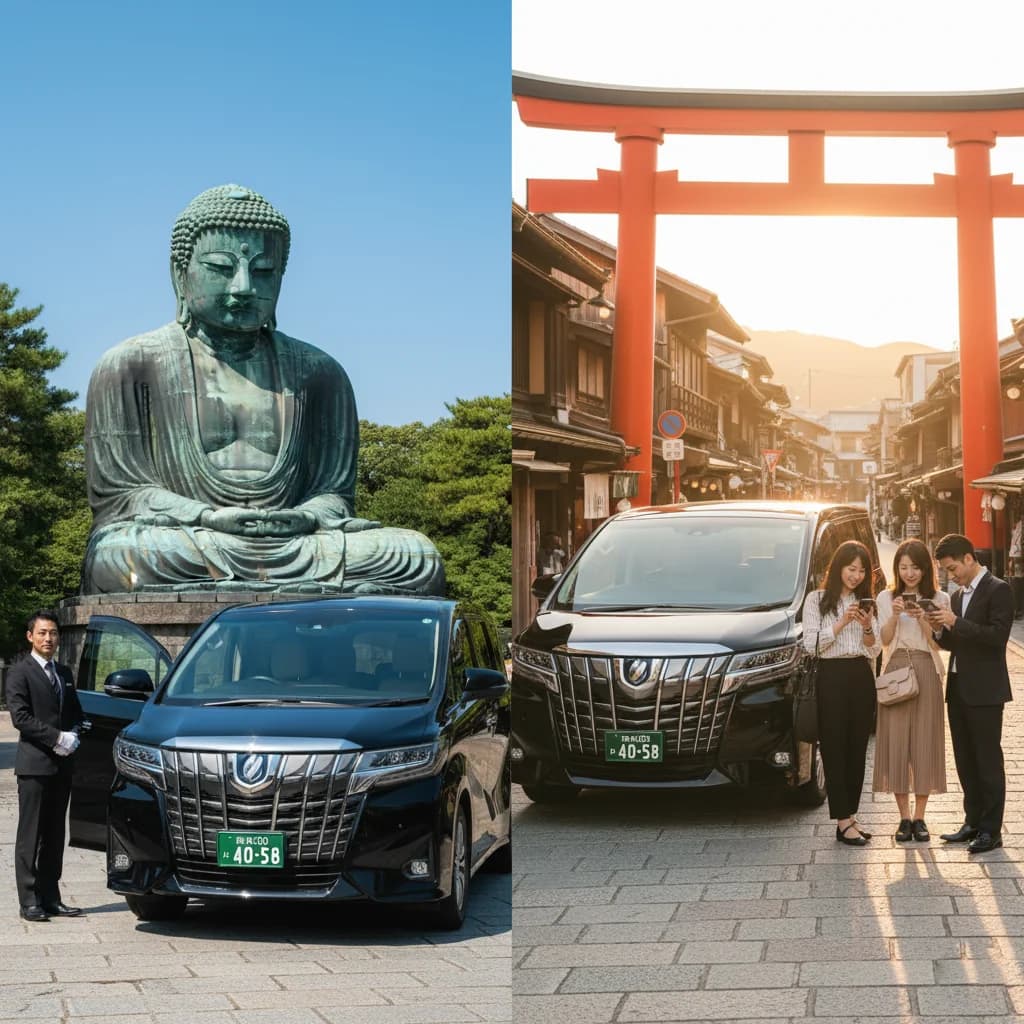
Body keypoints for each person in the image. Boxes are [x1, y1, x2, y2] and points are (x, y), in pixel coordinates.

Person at [80, 184, 443, 596]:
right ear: (180, 274)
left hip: (299, 541)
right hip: (192, 539)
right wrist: (207, 517)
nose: (244, 286)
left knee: (416, 555)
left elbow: (334, 496)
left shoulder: (319, 373)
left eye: (264, 271)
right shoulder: (131, 365)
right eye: (220, 267)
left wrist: (305, 517)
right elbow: (121, 497)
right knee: (122, 555)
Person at [928, 533, 1013, 854]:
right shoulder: (957, 594)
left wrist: (956, 622)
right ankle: (972, 821)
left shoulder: (999, 589)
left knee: (988, 760)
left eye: (953, 569)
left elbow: (997, 638)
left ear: (968, 558)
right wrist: (938, 626)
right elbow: (953, 643)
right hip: (959, 687)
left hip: (987, 690)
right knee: (965, 759)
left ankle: (992, 830)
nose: (951, 576)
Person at [6, 611, 86, 921]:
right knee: (31, 835)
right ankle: (29, 900)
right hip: (35, 765)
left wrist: (77, 733)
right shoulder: (19, 672)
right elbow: (21, 718)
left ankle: (51, 896)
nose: (48, 639)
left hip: (62, 767)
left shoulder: (64, 672)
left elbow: (76, 712)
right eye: (42, 633)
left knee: (54, 834)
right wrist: (56, 738)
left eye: (53, 633)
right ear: (30, 637)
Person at [802, 540, 881, 846]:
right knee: (834, 746)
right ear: (838, 568)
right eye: (851, 569)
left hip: (860, 675)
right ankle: (842, 821)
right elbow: (811, 645)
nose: (856, 575)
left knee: (858, 747)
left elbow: (874, 650)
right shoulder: (817, 600)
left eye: (862, 570)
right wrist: (841, 622)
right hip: (831, 676)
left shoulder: (865, 602)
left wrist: (866, 627)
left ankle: (851, 816)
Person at [872, 539, 948, 842]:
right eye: (903, 567)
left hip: (927, 668)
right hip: (895, 670)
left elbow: (939, 644)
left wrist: (924, 619)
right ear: (897, 568)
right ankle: (903, 817)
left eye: (915, 567)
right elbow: (884, 641)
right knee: (896, 742)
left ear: (925, 568)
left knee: (925, 741)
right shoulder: (885, 596)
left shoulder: (940, 597)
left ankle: (920, 817)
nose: (909, 573)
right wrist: (893, 614)